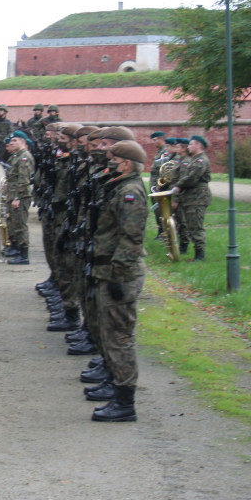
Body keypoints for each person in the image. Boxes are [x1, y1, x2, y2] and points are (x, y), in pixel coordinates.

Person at [90, 140, 149, 422]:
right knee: (109, 334)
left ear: (126, 163)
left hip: (121, 274)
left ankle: (125, 402)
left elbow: (132, 236)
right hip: (109, 270)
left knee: (119, 338)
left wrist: (118, 273)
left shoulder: (130, 192)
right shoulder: (119, 186)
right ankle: (117, 389)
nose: (109, 161)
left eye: (114, 158)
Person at [172, 135, 212, 261]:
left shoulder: (201, 161)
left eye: (191, 144)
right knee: (191, 226)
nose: (188, 147)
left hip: (198, 198)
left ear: (198, 145)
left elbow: (192, 177)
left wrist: (178, 186)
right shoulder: (194, 159)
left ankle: (200, 255)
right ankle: (197, 253)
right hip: (191, 197)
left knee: (196, 227)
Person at [3, 130, 35, 265]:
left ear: (23, 141)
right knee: (14, 223)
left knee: (20, 225)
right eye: (11, 141)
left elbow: (23, 180)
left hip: (21, 195)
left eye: (14, 140)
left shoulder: (24, 157)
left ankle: (24, 255)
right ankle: (17, 249)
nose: (11, 143)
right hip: (14, 193)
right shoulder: (17, 156)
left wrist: (17, 197)